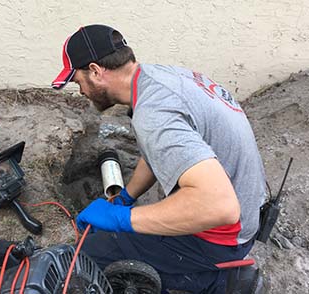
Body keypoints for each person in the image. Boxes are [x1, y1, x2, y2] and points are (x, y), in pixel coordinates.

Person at [51, 24, 266, 293]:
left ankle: (219, 282)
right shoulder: (156, 78)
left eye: (77, 80)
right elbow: (159, 152)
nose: (80, 90)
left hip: (221, 236)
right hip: (245, 212)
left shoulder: (155, 114)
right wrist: (124, 198)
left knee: (84, 259)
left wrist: (121, 219)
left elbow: (221, 207)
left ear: (95, 71)